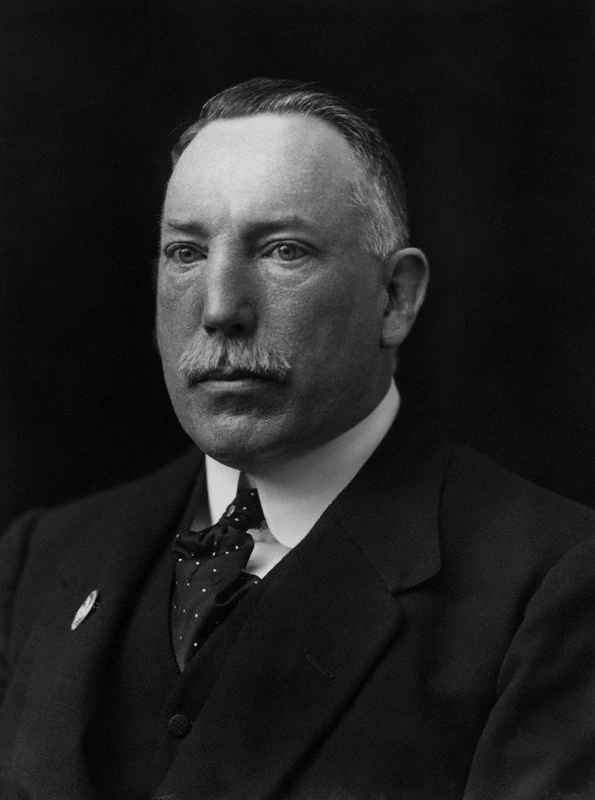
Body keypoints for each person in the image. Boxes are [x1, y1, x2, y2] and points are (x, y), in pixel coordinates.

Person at [0, 78, 594, 800]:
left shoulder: (550, 587)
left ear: (395, 298)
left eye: (282, 251)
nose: (220, 307)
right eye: (186, 253)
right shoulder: (38, 560)